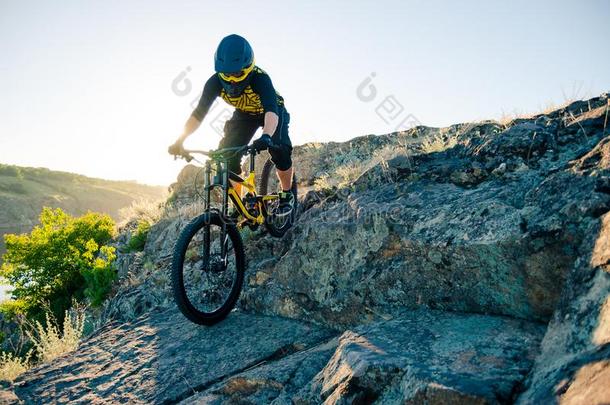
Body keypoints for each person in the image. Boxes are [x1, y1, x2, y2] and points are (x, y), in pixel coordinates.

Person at [168, 34, 294, 215]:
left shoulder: (260, 79)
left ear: (248, 68)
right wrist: (181, 140)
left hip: (272, 112)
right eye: (227, 74)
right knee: (227, 156)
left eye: (237, 73)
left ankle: (287, 193)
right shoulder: (214, 83)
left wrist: (266, 136)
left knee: (279, 148)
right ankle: (240, 206)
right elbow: (198, 114)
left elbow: (272, 111)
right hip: (244, 115)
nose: (232, 79)